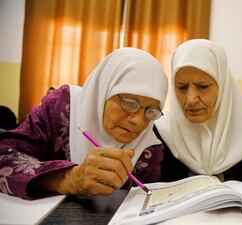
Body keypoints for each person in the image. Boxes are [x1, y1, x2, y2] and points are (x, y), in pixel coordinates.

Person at [0, 48, 168, 199]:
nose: (138, 121)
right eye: (129, 103)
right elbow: (3, 156)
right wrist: (68, 178)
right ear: (102, 91)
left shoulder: (149, 148)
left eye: (151, 111)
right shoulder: (63, 107)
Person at [155, 39, 242, 187]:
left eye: (202, 86)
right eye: (182, 87)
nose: (191, 99)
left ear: (223, 88)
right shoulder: (162, 132)